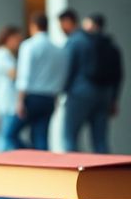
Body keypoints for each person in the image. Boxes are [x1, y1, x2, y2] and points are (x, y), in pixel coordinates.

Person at [62, 13, 124, 153]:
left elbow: (68, 69)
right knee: (100, 140)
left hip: (80, 93)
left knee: (70, 137)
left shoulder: (77, 41)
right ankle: (107, 175)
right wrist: (114, 99)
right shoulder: (111, 45)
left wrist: (64, 91)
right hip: (105, 94)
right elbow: (118, 75)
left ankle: (73, 172)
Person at [14, 13, 67, 151]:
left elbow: (24, 75)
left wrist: (19, 100)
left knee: (9, 133)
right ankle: (41, 165)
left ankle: (26, 154)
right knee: (41, 137)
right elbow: (60, 75)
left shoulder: (28, 46)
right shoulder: (58, 49)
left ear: (33, 26)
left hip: (32, 97)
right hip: (49, 98)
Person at [0, 25, 24, 151]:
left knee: (8, 136)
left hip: (7, 102)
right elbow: (14, 73)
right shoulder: (2, 53)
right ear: (8, 38)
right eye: (17, 39)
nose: (19, 43)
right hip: (7, 103)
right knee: (6, 136)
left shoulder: (6, 54)